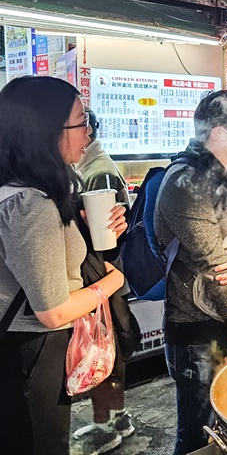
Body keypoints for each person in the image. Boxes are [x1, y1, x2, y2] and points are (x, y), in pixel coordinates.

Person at [0, 76, 126, 455]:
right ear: (47, 131)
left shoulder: (29, 192)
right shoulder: (30, 205)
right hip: (31, 352)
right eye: (81, 119)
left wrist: (86, 231)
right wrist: (110, 283)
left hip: (26, 350)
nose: (89, 130)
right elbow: (53, 311)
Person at [155, 90, 227, 455]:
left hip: (225, 318)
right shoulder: (185, 181)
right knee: (197, 434)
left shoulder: (226, 176)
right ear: (220, 132)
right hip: (197, 329)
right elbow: (217, 268)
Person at [72, 108, 136, 452]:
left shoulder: (98, 172)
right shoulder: (83, 169)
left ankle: (108, 425)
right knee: (107, 352)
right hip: (102, 279)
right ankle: (114, 420)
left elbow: (106, 243)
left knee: (107, 354)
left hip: (105, 278)